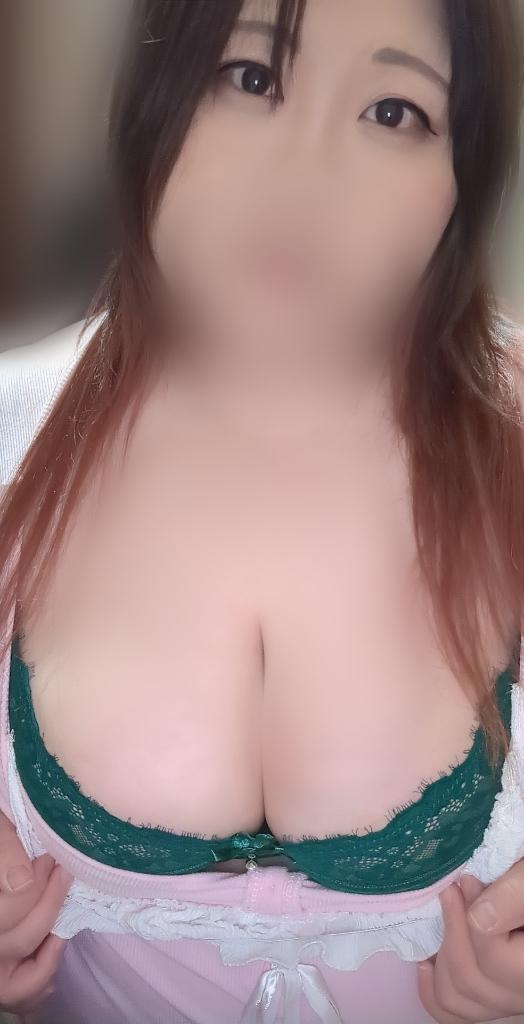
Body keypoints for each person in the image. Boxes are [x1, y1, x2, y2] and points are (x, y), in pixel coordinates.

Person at [0, 1, 523, 1021]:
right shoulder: (13, 441)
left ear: (461, 177)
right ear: (155, 95)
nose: (304, 176)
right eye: (251, 77)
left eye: (392, 111)